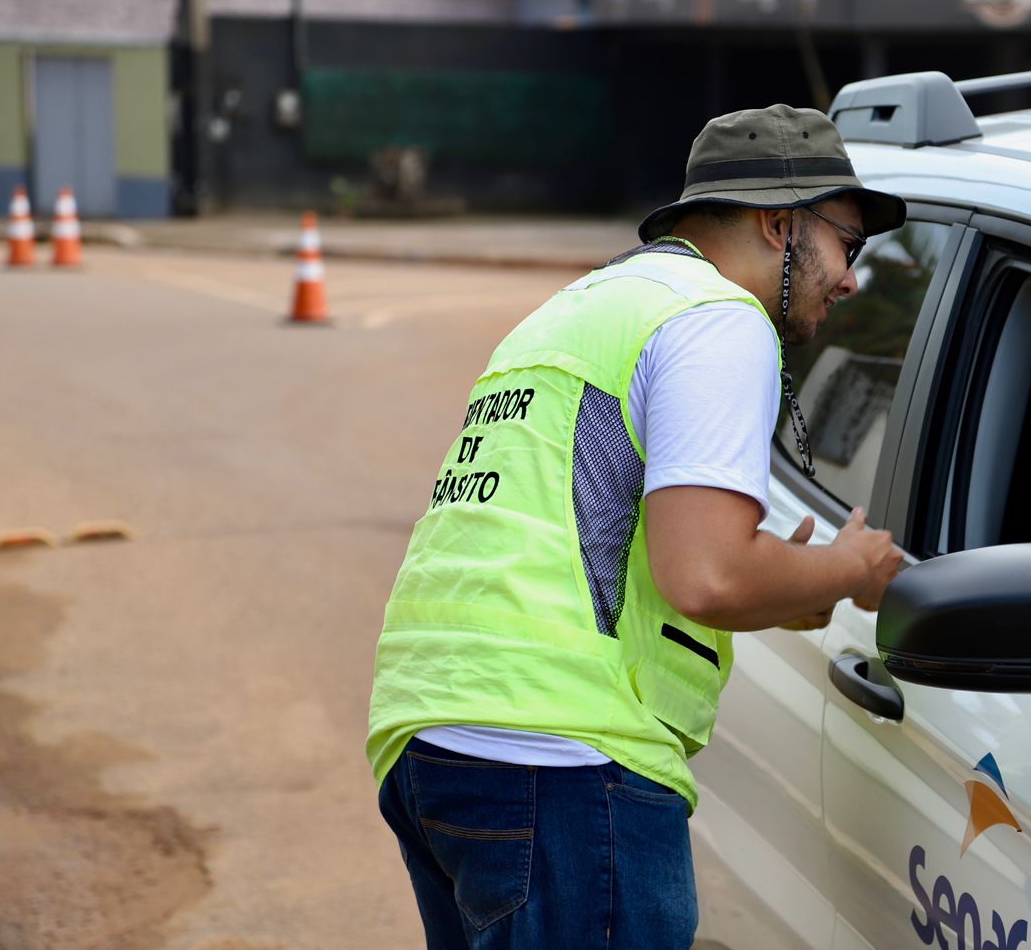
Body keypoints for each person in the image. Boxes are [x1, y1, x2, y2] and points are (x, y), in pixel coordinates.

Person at [367, 103, 908, 949]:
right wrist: (852, 568)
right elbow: (709, 575)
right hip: (561, 759)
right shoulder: (718, 318)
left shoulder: (585, 305)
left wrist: (779, 583)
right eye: (850, 243)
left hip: (433, 736)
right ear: (780, 225)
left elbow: (605, 537)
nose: (850, 280)